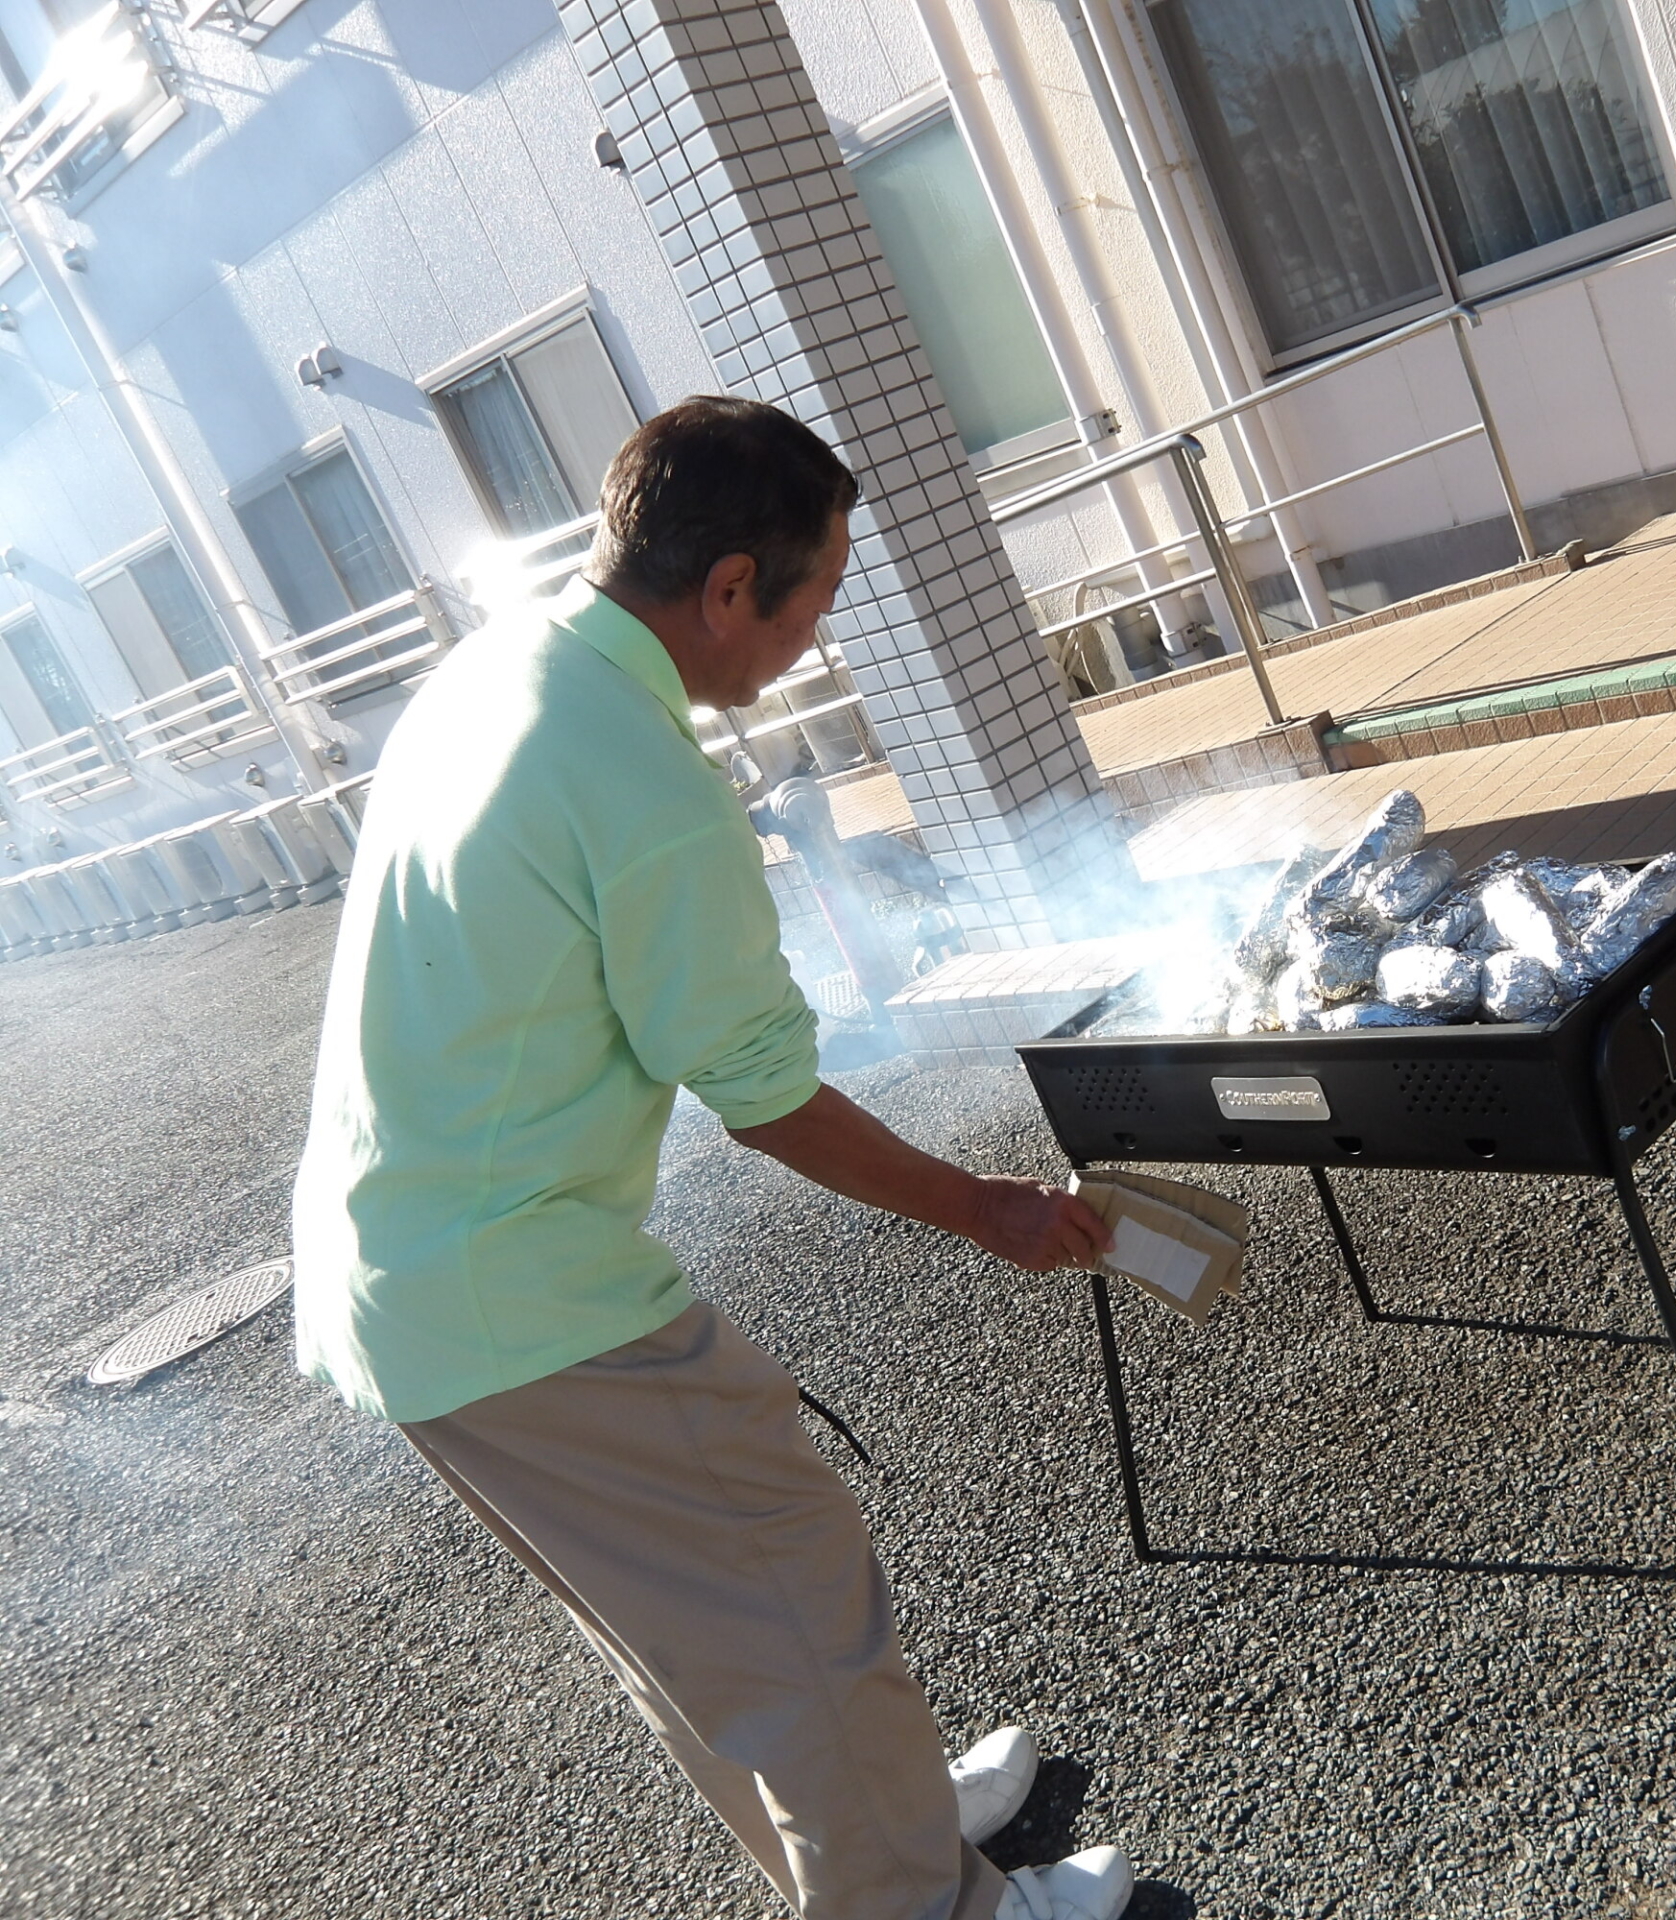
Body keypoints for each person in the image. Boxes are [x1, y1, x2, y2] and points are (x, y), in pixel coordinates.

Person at [292, 396, 1130, 1920]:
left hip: (399, 1276)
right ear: (732, 584)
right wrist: (988, 1205)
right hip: (524, 1296)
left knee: (695, 1625)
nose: (821, 632)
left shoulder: (498, 668)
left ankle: (883, 1820)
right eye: (820, 593)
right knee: (784, 1582)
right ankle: (934, 1900)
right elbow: (765, 1097)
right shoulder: (647, 781)